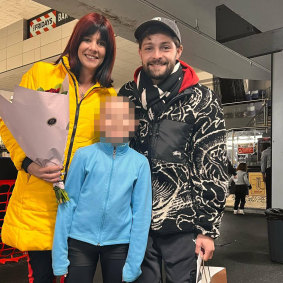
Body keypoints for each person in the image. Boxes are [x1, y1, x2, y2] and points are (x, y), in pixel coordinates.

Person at [0, 13, 116, 283]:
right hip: (38, 204)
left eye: (101, 43)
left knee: (77, 277)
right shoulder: (41, 74)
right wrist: (29, 164)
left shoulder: (110, 97)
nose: (93, 47)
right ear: (76, 41)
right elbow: (10, 124)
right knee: (41, 275)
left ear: (108, 52)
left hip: (80, 208)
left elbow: (111, 154)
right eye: (87, 39)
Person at [118, 17, 228, 283]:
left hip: (184, 227)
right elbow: (117, 158)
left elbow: (212, 165)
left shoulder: (202, 99)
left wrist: (207, 230)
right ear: (140, 52)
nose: (157, 55)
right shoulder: (127, 96)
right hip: (136, 224)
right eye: (149, 47)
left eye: (165, 47)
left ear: (178, 51)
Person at [52, 96, 152, 283]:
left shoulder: (140, 163)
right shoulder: (84, 155)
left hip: (119, 244)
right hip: (80, 241)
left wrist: (133, 265)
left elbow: (142, 215)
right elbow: (67, 203)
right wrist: (59, 257)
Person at [261, 143, 271, 209]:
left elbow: (263, 164)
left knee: (269, 191)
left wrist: (263, 175)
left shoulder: (265, 152)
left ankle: (269, 207)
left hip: (269, 171)